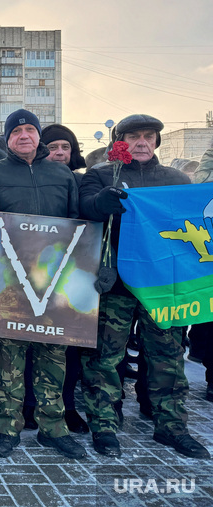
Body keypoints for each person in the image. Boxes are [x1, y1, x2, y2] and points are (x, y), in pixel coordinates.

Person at [0, 109, 85, 460]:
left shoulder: (62, 175)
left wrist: (95, 267)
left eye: (30, 129)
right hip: (10, 280)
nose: (24, 135)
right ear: (8, 138)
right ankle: (7, 427)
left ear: (38, 136)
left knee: (53, 358)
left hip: (55, 280)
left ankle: (52, 428)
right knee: (10, 358)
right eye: (17, 131)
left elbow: (81, 226)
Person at [80, 114, 209, 459]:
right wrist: (99, 203)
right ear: (118, 142)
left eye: (148, 136)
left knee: (168, 359)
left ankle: (172, 427)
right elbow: (82, 209)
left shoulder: (176, 181)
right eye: (133, 136)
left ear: (156, 142)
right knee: (105, 360)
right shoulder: (101, 175)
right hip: (116, 287)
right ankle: (104, 426)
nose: (141, 142)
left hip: (163, 289)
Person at [38, 123, 90, 435]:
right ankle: (31, 403)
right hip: (32, 272)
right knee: (31, 342)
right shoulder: (34, 177)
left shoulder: (83, 182)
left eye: (65, 147)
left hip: (72, 275)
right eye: (53, 146)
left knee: (67, 346)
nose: (59, 153)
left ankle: (67, 406)